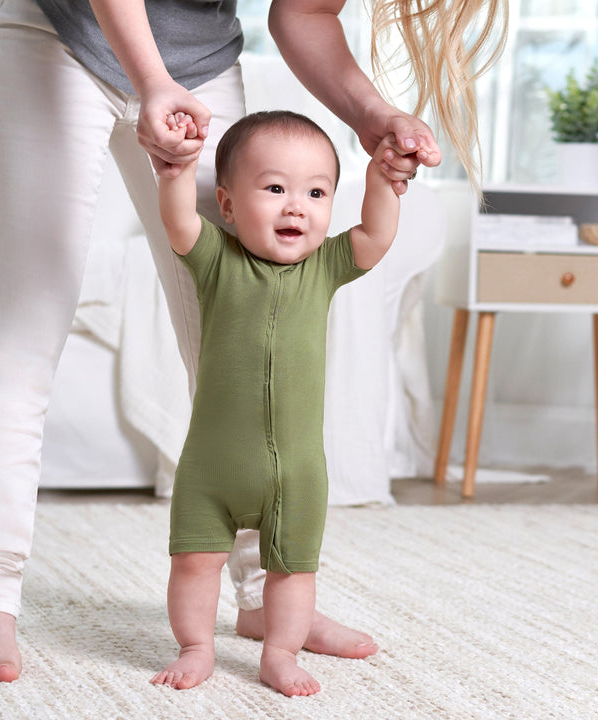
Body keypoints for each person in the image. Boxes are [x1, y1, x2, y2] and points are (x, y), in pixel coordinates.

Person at [0, 0, 505, 683]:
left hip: (199, 59)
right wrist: (151, 82)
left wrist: (371, 114)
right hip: (63, 34)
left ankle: (267, 596)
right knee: (24, 330)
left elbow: (305, 12)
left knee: (232, 326)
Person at [150, 110, 405, 696]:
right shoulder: (216, 259)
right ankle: (195, 646)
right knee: (193, 562)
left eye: (316, 193)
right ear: (228, 204)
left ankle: (281, 653)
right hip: (211, 469)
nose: (297, 208)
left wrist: (382, 179)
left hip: (297, 471)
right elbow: (178, 220)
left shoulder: (326, 266)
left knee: (293, 569)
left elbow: (375, 235)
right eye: (274, 189)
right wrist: (175, 171)